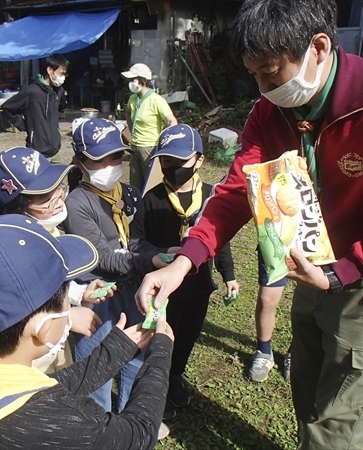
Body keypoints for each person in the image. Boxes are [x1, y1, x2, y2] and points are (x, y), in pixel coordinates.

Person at [135, 0, 363, 448]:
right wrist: (184, 262)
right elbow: (232, 193)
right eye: (255, 76)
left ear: (317, 48)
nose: (263, 88)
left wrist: (341, 272)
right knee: (305, 385)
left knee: (338, 417)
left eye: (270, 73)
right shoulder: (271, 111)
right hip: (309, 265)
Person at [0, 214, 175, 449]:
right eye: (65, 293)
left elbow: (45, 391)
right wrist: (160, 353)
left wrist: (115, 350)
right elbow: (137, 434)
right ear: (44, 330)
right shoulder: (63, 423)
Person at [63, 118, 175, 438]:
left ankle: (134, 418)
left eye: (115, 157)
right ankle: (100, 429)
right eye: (99, 159)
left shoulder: (128, 192)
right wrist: (148, 259)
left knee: (136, 353)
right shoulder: (76, 203)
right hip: (96, 293)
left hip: (134, 285)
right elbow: (104, 257)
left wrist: (163, 252)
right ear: (79, 162)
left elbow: (137, 241)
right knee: (96, 362)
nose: (109, 165)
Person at [0, 146, 116, 374]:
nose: (58, 199)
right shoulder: (5, 253)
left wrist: (77, 293)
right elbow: (9, 318)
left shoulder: (49, 231)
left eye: (58, 188)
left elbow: (52, 281)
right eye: (45, 196)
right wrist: (67, 319)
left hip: (55, 346)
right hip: (26, 361)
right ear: (17, 206)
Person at [143, 124, 240, 420]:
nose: (171, 169)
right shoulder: (153, 198)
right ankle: (158, 387)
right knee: (162, 340)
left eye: (179, 162)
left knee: (186, 338)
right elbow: (140, 242)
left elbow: (218, 240)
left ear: (199, 159)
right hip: (165, 291)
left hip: (198, 287)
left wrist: (229, 275)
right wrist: (156, 256)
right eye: (165, 162)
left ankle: (175, 377)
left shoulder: (212, 196)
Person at [1, 54, 69, 161]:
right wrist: (24, 125)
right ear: (50, 70)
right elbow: (8, 107)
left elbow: (63, 107)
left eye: (65, 74)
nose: (63, 77)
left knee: (58, 177)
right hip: (37, 151)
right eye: (61, 74)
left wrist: (55, 122)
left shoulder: (58, 90)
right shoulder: (32, 91)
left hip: (55, 150)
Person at [121, 63, 177, 190]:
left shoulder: (156, 100)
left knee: (151, 186)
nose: (130, 83)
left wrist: (166, 144)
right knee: (135, 185)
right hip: (134, 147)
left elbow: (172, 121)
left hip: (150, 148)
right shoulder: (133, 99)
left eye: (133, 79)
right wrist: (130, 131)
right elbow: (128, 112)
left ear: (143, 80)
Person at [248, 248, 289, 382]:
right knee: (267, 300)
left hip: (314, 239)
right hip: (275, 238)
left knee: (308, 299)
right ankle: (264, 351)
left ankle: (297, 352)